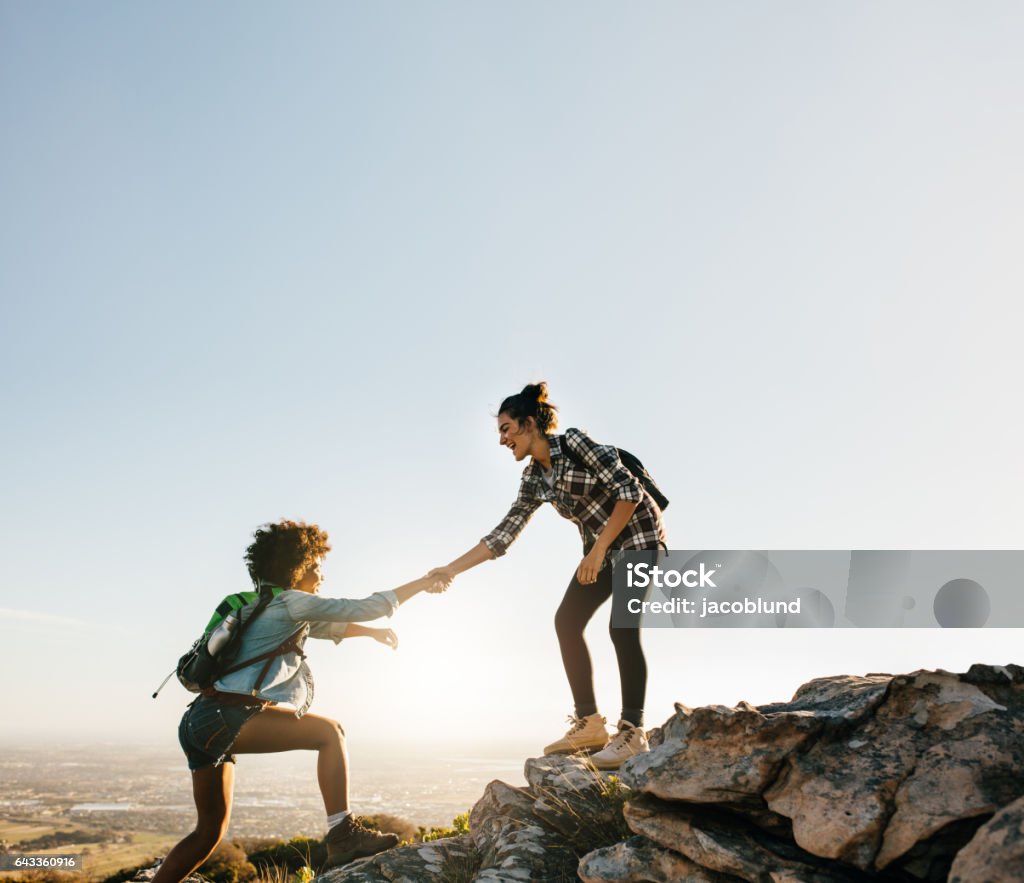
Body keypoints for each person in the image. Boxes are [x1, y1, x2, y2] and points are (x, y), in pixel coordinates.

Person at [153, 520, 448, 883]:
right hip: (227, 717)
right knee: (330, 732)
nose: (321, 575)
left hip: (199, 723)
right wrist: (422, 582)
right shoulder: (292, 603)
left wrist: (371, 634)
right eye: (316, 566)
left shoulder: (262, 607)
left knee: (208, 833)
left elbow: (330, 627)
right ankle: (342, 833)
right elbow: (365, 607)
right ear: (299, 565)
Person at [428, 383, 667, 769]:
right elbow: (502, 536)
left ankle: (632, 732)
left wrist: (598, 549)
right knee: (566, 621)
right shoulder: (534, 479)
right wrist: (450, 570)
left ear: (528, 424)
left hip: (639, 538)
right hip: (601, 552)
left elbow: (629, 491)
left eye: (506, 429)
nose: (502, 439)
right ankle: (589, 723)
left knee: (621, 627)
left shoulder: (574, 443)